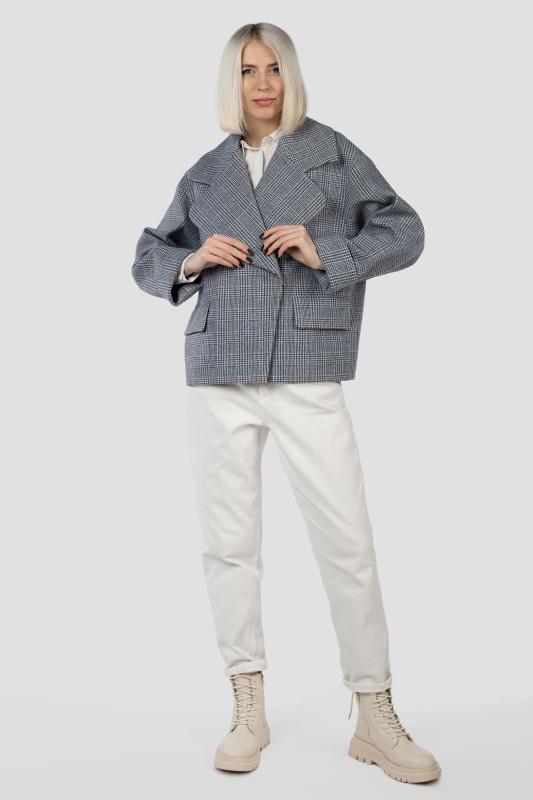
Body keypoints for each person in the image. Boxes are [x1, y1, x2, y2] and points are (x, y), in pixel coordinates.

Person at [131, 21, 441, 784]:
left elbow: (405, 230)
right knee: (228, 545)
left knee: (346, 542)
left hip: (306, 359)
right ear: (230, 83)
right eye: (246, 70)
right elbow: (148, 254)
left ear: (290, 75)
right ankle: (247, 705)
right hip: (219, 366)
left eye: (273, 68)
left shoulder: (330, 152)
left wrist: (325, 250)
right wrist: (191, 260)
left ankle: (374, 712)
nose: (262, 83)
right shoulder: (207, 172)